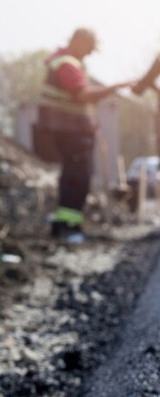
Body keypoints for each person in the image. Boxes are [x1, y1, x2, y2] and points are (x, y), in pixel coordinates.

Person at [36, 29, 132, 242]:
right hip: (71, 133)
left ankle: (63, 225)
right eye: (88, 49)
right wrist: (115, 87)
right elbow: (82, 95)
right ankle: (70, 227)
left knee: (73, 177)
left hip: (72, 132)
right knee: (77, 179)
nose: (88, 54)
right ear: (79, 42)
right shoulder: (68, 64)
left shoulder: (63, 62)